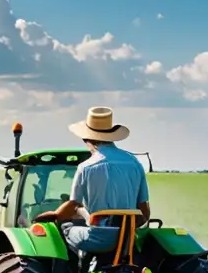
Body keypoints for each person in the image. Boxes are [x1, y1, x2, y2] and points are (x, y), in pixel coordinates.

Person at [34, 106, 150, 255]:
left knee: (66, 228)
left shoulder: (86, 167)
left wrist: (56, 215)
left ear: (86, 138)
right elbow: (144, 209)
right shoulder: (135, 164)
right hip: (128, 239)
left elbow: (73, 204)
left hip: (97, 237)